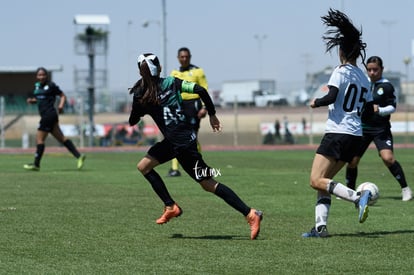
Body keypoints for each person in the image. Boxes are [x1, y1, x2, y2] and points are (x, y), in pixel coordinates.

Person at [128, 53, 262, 240]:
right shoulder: (171, 83)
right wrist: (213, 115)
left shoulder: (140, 94)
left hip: (181, 146)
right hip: (182, 141)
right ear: (158, 69)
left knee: (208, 184)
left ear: (140, 72)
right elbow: (200, 90)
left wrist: (139, 110)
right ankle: (170, 206)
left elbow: (133, 121)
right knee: (144, 166)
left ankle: (250, 214)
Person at [302, 9, 373, 238]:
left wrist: (316, 102)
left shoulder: (340, 71)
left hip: (337, 133)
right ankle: (320, 228)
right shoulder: (364, 78)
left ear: (342, 51)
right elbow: (369, 110)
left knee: (315, 180)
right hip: (354, 135)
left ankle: (357, 197)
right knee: (324, 182)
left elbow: (331, 96)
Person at [345, 56, 413, 201]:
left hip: (380, 129)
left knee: (388, 158)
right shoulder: (362, 84)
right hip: (362, 128)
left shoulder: (387, 86)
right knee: (352, 161)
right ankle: (349, 191)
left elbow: (392, 107)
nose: (372, 72)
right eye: (369, 70)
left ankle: (405, 188)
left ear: (381, 69)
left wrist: (379, 110)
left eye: (375, 69)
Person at [24, 67, 86, 171]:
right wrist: (32, 101)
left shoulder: (51, 85)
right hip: (49, 116)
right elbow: (39, 99)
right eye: (39, 75)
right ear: (36, 76)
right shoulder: (37, 86)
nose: (41, 77)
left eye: (43, 75)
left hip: (48, 115)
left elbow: (62, 96)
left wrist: (61, 106)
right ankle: (79, 156)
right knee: (61, 138)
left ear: (46, 76)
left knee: (39, 139)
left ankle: (36, 164)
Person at [167, 47, 209, 177]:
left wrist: (205, 107)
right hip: (179, 107)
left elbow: (204, 90)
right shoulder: (174, 73)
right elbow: (170, 92)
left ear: (190, 57)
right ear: (178, 58)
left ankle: (200, 166)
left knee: (192, 138)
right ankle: (174, 169)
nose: (184, 59)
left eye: (186, 57)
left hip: (194, 107)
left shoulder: (198, 71)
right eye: (182, 57)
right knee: (175, 138)